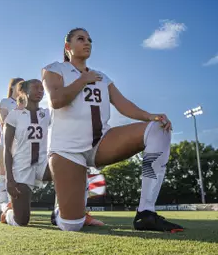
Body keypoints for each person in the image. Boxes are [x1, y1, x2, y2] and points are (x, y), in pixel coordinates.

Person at [41, 28, 183, 232]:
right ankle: (60, 212)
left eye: (90, 39)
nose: (87, 42)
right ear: (67, 46)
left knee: (158, 130)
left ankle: (146, 213)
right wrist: (83, 80)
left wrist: (151, 116)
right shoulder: (54, 69)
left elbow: (123, 104)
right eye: (80, 39)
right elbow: (56, 100)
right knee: (72, 225)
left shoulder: (102, 77)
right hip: (67, 150)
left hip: (101, 142)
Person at [0, 79, 52, 226]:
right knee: (21, 221)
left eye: (42, 88)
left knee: (67, 171)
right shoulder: (14, 115)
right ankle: (7, 212)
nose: (40, 91)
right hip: (21, 168)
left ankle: (60, 212)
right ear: (24, 92)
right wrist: (9, 179)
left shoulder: (47, 113)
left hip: (42, 164)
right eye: (36, 88)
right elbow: (7, 150)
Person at [0, 78, 24, 209]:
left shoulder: (26, 104)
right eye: (20, 85)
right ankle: (1, 206)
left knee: (18, 174)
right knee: (3, 173)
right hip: (6, 142)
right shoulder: (5, 102)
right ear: (12, 87)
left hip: (21, 144)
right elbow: (4, 122)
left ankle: (15, 204)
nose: (23, 88)